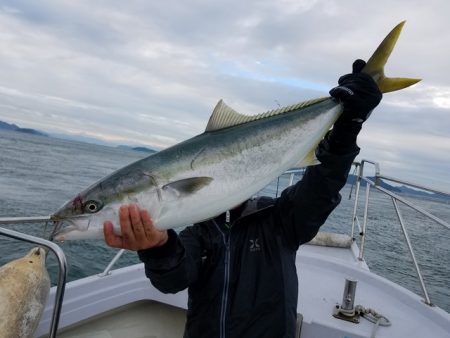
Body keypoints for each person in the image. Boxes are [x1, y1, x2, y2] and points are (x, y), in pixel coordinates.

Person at [103, 59, 382, 338]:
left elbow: (322, 187)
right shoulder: (198, 233)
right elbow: (173, 280)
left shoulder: (280, 222)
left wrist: (347, 129)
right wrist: (158, 248)